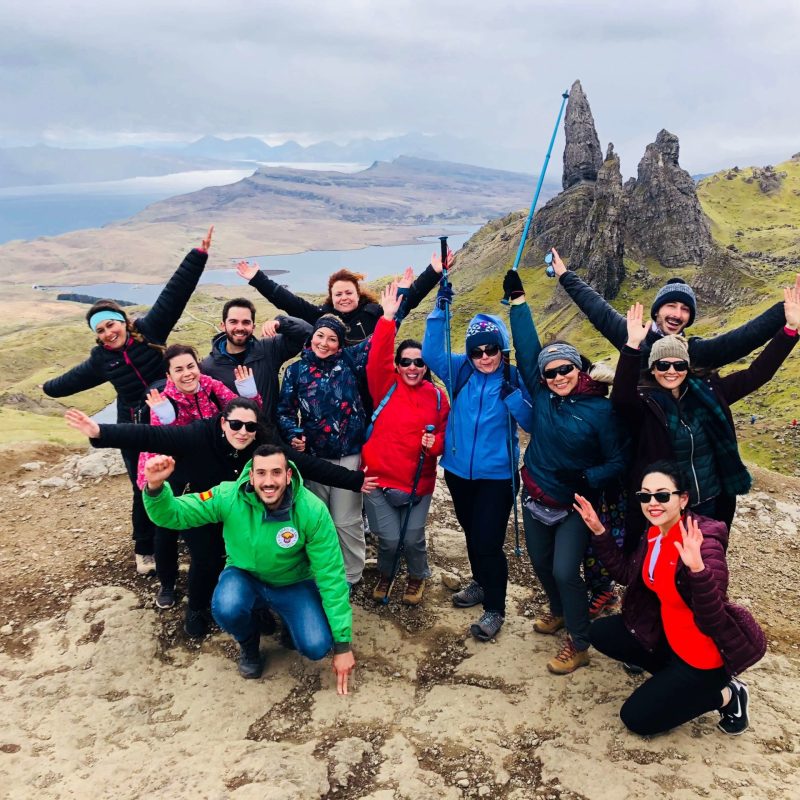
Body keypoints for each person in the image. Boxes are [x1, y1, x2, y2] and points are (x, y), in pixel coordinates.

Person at [65, 398, 376, 636]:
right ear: (222, 422)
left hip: (239, 509)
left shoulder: (262, 449)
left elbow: (304, 464)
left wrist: (354, 481)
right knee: (206, 558)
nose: (243, 432)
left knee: (247, 559)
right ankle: (197, 608)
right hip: (204, 505)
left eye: (250, 426)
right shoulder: (198, 435)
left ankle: (255, 608)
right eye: (236, 424)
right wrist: (100, 432)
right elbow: (153, 435)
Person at [44, 226, 214, 575]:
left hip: (171, 419)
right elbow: (66, 383)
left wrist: (198, 255)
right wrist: (47, 389)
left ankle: (187, 526)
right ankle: (144, 547)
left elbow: (174, 293)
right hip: (134, 426)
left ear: (122, 320)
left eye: (111, 324)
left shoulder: (150, 331)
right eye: (101, 331)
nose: (108, 333)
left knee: (185, 474)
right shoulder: (100, 361)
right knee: (143, 485)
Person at [141, 446, 356, 692]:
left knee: (317, 646)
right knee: (226, 606)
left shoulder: (312, 510)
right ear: (251, 477)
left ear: (288, 475)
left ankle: (288, 619)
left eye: (276, 473)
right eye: (261, 473)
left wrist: (343, 645)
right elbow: (175, 514)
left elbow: (332, 576)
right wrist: (156, 488)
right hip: (245, 578)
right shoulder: (228, 495)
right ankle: (249, 643)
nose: (268, 481)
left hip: (293, 583)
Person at [574, 461, 766, 736]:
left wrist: (698, 570)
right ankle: (671, 680)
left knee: (636, 719)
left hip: (703, 659)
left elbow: (713, 617)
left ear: (683, 498)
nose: (653, 503)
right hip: (669, 639)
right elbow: (627, 575)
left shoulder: (703, 541)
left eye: (663, 495)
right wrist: (599, 532)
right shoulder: (654, 531)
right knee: (601, 632)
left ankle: (727, 695)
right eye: (645, 496)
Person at [504, 269, 628, 674]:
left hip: (576, 503)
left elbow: (618, 461)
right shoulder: (541, 393)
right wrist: (519, 303)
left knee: (563, 570)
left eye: (565, 370)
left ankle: (578, 641)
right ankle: (557, 611)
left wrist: (588, 480)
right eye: (551, 372)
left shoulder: (601, 410)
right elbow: (526, 350)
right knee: (540, 564)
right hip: (536, 493)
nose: (558, 377)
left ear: (578, 369)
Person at [613, 289, 799, 545]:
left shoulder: (710, 392)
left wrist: (790, 330)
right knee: (665, 571)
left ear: (687, 367)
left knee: (707, 568)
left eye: (679, 365)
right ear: (653, 369)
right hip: (665, 508)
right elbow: (621, 399)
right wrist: (632, 346)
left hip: (711, 502)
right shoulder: (645, 403)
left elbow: (758, 373)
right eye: (663, 365)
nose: (671, 371)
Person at [422, 268, 533, 642]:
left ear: (502, 348)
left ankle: (495, 608)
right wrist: (440, 308)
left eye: (492, 349)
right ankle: (480, 582)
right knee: (472, 534)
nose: (484, 356)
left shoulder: (514, 378)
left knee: (487, 541)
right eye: (477, 350)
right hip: (457, 471)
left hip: (498, 476)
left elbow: (532, 422)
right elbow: (430, 352)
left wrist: (514, 400)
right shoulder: (460, 371)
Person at [134, 343, 261, 611]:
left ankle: (217, 579)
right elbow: (158, 443)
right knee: (167, 528)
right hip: (173, 472)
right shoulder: (161, 401)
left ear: (198, 366)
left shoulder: (212, 387)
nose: (187, 373)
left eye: (191, 366)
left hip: (206, 470)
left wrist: (251, 396)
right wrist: (169, 421)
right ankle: (167, 583)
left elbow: (243, 415)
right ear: (169, 375)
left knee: (208, 527)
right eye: (178, 369)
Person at [548, 247, 798, 369]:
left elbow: (743, 339)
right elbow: (597, 308)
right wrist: (565, 275)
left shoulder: (696, 352)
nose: (677, 314)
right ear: (656, 311)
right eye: (671, 306)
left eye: (685, 310)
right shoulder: (634, 338)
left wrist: (783, 312)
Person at [276, 298, 377, 587]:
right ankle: (320, 571)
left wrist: (394, 310)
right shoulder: (295, 371)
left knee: (346, 520)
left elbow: (381, 338)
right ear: (312, 337)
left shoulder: (350, 361)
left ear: (340, 344)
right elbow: (284, 411)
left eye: (332, 339)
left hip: (349, 454)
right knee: (317, 520)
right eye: (320, 335)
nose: (324, 343)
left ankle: (351, 575)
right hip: (314, 459)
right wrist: (294, 434)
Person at [361, 284, 450, 605]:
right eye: (406, 362)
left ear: (426, 367)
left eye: (419, 363)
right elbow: (376, 358)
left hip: (418, 484)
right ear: (397, 364)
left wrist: (434, 443)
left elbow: (443, 440)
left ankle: (416, 576)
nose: (412, 367)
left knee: (412, 538)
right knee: (388, 539)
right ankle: (387, 573)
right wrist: (387, 318)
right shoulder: (384, 384)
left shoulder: (439, 398)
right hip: (377, 480)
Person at [236, 258, 443, 346]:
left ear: (357, 293)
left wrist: (433, 272)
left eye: (348, 293)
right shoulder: (322, 317)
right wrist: (258, 279)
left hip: (375, 386)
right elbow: (289, 302)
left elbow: (410, 300)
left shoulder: (375, 313)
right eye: (338, 294)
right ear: (331, 298)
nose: (343, 298)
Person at [200, 297, 312, 421]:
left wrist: (281, 323)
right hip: (234, 437)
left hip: (270, 436)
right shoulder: (207, 367)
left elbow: (307, 334)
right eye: (233, 322)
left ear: (253, 326)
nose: (240, 327)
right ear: (223, 325)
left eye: (246, 322)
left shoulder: (269, 349)